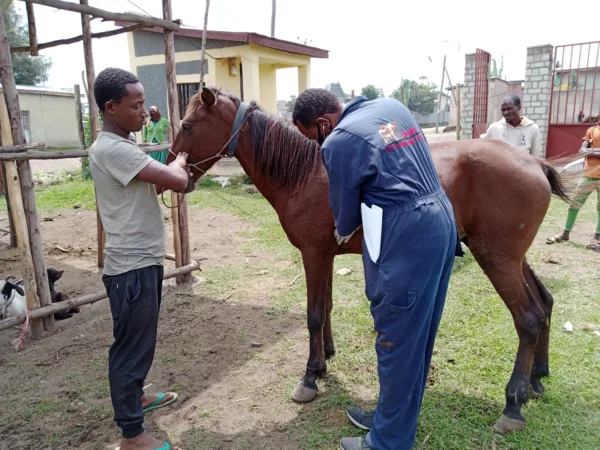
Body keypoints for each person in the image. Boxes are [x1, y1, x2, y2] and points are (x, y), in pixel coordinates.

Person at [293, 89, 462, 450]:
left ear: (322, 123)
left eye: (314, 137)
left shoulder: (338, 141)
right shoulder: (390, 107)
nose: (318, 145)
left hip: (406, 233)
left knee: (396, 340)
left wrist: (341, 230)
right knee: (418, 338)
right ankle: (391, 418)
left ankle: (387, 442)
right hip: (441, 220)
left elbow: (345, 218)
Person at [89, 67, 193, 450]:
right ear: (111, 107)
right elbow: (176, 180)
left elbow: (156, 174)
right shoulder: (111, 148)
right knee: (130, 348)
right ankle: (132, 436)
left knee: (141, 341)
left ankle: (139, 398)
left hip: (139, 261)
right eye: (135, 106)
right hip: (131, 266)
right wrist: (180, 162)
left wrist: (170, 164)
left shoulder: (123, 145)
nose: (144, 112)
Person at [546, 120, 600, 251]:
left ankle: (596, 238)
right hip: (588, 175)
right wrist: (594, 151)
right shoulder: (592, 130)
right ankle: (565, 233)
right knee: (574, 204)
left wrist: (590, 151)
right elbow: (582, 150)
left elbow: (586, 150)